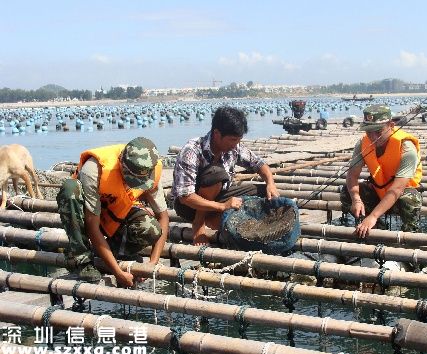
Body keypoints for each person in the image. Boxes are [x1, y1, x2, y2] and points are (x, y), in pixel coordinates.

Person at [57, 137, 169, 287]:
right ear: (122, 165)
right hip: (88, 213)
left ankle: (108, 253)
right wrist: (117, 272)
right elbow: (92, 226)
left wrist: (152, 262)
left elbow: (163, 216)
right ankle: (81, 259)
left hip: (118, 211)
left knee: (151, 229)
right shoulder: (95, 169)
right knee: (70, 189)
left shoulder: (152, 167)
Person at [171, 106, 279, 245]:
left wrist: (270, 183)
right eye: (233, 140)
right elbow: (185, 197)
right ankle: (199, 224)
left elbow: (259, 164)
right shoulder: (192, 151)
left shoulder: (234, 147)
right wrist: (222, 206)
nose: (236, 145)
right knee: (216, 173)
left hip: (221, 196)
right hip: (189, 206)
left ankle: (215, 219)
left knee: (265, 192)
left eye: (238, 140)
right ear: (216, 134)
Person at [340, 104, 422, 238]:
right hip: (378, 192)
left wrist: (373, 216)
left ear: (391, 125)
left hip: (401, 195)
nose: (373, 137)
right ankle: (375, 229)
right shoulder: (362, 144)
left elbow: (397, 189)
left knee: (409, 200)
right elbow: (352, 176)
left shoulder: (407, 148)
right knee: (346, 193)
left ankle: (410, 236)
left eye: (378, 131)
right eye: (368, 132)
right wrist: (356, 199)